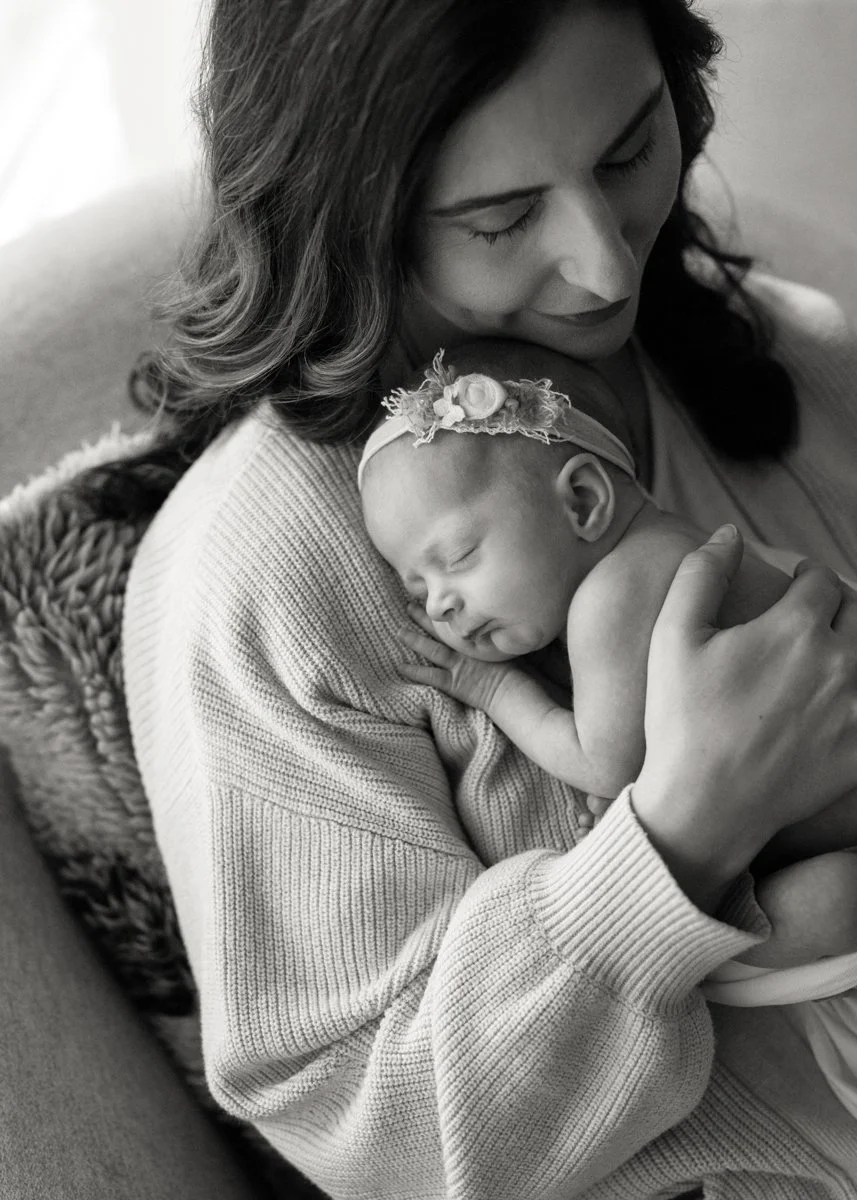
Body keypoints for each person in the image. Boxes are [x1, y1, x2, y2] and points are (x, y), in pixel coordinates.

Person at [66, 0, 857, 1194]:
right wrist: (682, 836)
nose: (602, 263)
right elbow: (376, 1135)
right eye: (498, 219)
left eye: (628, 149)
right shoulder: (263, 577)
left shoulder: (782, 357)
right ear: (353, 220)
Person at [358, 338, 857, 974]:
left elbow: (605, 765)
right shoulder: (671, 545)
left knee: (822, 908)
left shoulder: (613, 595)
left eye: (456, 559)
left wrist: (488, 688)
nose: (440, 609)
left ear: (584, 502)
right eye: (417, 588)